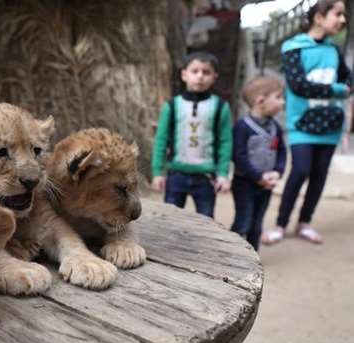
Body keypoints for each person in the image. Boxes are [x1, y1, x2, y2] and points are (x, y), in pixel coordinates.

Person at [262, 0, 352, 245]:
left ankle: (305, 222)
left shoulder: (334, 50)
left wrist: (342, 88)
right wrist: (337, 90)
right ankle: (280, 224)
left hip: (331, 125)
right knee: (300, 170)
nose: (343, 19)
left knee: (319, 175)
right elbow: (299, 86)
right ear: (319, 17)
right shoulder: (293, 47)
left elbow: (349, 81)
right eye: (338, 14)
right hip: (302, 124)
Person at [151, 51, 233, 218]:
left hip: (206, 177)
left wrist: (223, 174)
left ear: (214, 77)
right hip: (176, 175)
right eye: (195, 71)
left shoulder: (220, 107)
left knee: (206, 222)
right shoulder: (172, 106)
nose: (200, 76)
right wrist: (158, 172)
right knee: (169, 221)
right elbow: (161, 140)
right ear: (184, 75)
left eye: (206, 72)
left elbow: (225, 142)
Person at [230, 77, 287, 251]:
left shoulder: (276, 127)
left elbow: (282, 152)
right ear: (260, 100)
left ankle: (253, 257)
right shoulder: (242, 127)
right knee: (243, 223)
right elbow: (238, 156)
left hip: (266, 186)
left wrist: (277, 171)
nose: (282, 102)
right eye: (278, 97)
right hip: (245, 184)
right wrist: (258, 177)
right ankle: (231, 253)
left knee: (257, 224)